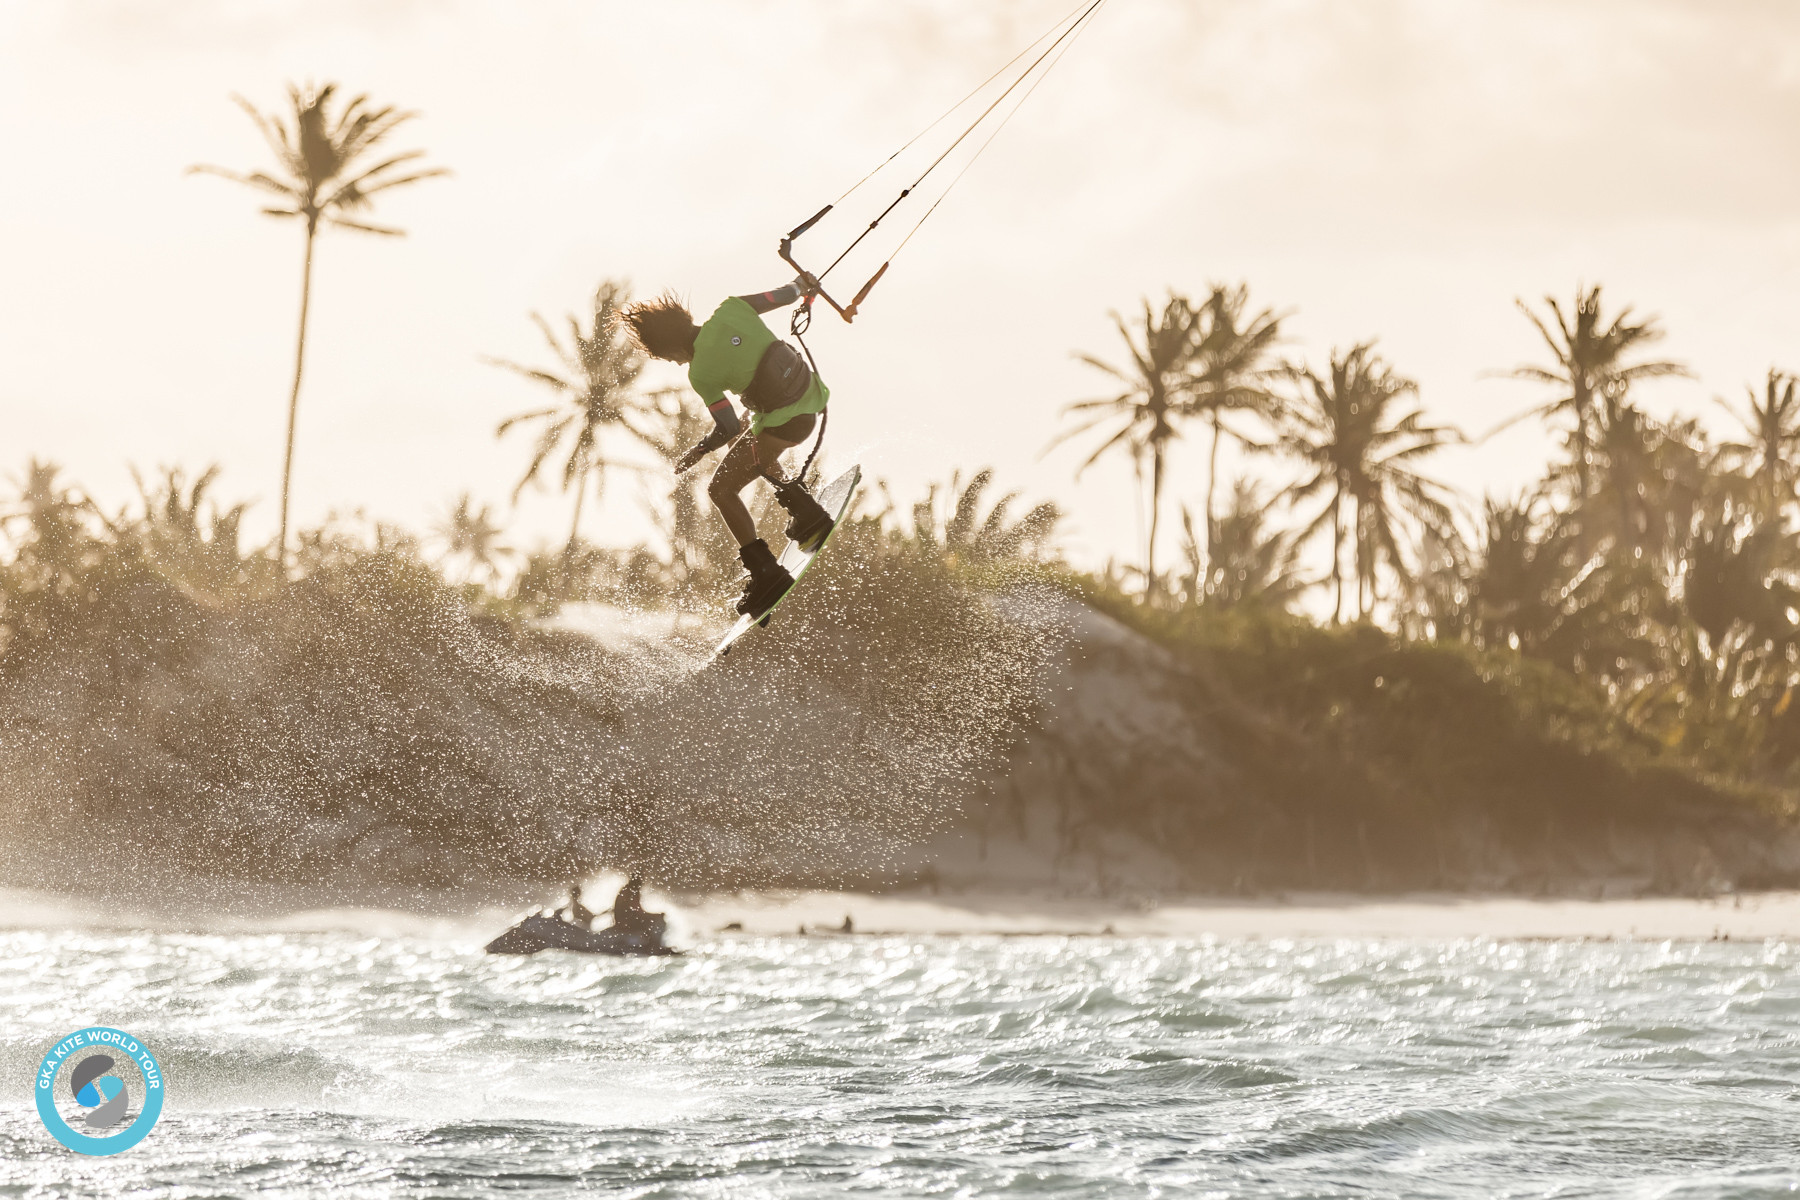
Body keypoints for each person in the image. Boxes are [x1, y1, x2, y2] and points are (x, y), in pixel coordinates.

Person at [622, 279, 836, 618]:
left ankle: (765, 572)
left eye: (668, 358)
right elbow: (783, 294)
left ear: (671, 349)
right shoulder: (732, 307)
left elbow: (727, 425)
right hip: (810, 405)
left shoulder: (701, 373)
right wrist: (803, 287)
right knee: (745, 439)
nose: (676, 364)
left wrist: (701, 449)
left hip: (785, 426)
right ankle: (805, 511)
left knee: (721, 490)